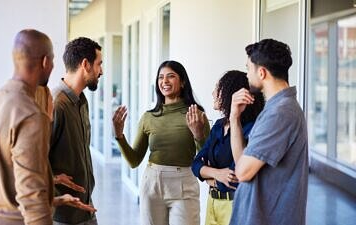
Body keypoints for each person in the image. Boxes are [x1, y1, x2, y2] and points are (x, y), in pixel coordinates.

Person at [112, 60, 210, 225]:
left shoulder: (196, 115)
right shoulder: (148, 117)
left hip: (184, 183)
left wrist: (199, 135)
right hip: (152, 184)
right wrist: (119, 135)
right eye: (161, 77)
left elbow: (206, 159)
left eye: (171, 76)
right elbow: (134, 160)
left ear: (183, 81)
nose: (164, 81)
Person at [0, 29, 55, 225]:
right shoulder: (31, 114)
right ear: (45, 62)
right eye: (52, 60)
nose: (52, 66)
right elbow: (32, 198)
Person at [229, 39, 308, 225]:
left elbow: (242, 172)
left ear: (262, 72)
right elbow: (242, 162)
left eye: (248, 69)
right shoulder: (277, 108)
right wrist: (234, 117)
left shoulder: (280, 113)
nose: (247, 75)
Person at [191, 70, 264, 225]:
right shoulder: (218, 126)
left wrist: (208, 176)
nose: (213, 93)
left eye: (218, 88)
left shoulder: (251, 129)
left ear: (230, 92)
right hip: (212, 203)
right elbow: (196, 163)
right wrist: (216, 174)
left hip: (234, 205)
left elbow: (236, 177)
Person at [49, 37, 103, 225]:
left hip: (85, 209)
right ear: (85, 64)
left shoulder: (81, 102)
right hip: (63, 216)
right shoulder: (56, 104)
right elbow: (33, 160)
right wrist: (54, 178)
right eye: (99, 64)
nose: (101, 71)